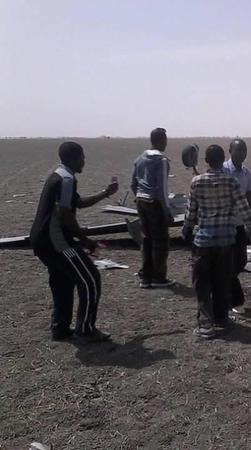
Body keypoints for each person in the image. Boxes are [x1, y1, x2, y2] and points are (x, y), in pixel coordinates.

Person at [30, 142, 118, 342]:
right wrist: (85, 241)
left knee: (63, 280)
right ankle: (85, 330)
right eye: (82, 157)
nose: (84, 161)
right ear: (74, 158)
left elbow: (77, 203)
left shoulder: (58, 175)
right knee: (90, 278)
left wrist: (106, 193)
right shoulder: (68, 179)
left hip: (42, 241)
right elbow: (66, 215)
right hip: (57, 243)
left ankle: (60, 328)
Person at [182, 145, 251, 339]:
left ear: (206, 161)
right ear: (222, 159)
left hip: (203, 242)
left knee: (202, 285)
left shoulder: (197, 182)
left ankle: (205, 325)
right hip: (226, 241)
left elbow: (191, 212)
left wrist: (186, 229)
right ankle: (221, 319)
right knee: (222, 281)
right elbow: (245, 211)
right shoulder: (231, 182)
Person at [131, 127, 174, 288]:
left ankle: (146, 275)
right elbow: (162, 188)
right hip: (154, 202)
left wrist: (139, 197)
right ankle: (158, 277)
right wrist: (167, 210)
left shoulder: (139, 159)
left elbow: (133, 183)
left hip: (141, 201)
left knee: (146, 239)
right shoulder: (162, 161)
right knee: (160, 241)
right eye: (165, 140)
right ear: (161, 141)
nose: (166, 143)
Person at [223, 138, 251, 315]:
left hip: (240, 224)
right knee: (228, 263)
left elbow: (249, 195)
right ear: (230, 151)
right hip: (225, 225)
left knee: (241, 261)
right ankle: (230, 299)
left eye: (244, 150)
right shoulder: (222, 170)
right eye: (238, 150)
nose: (242, 153)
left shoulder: (247, 173)